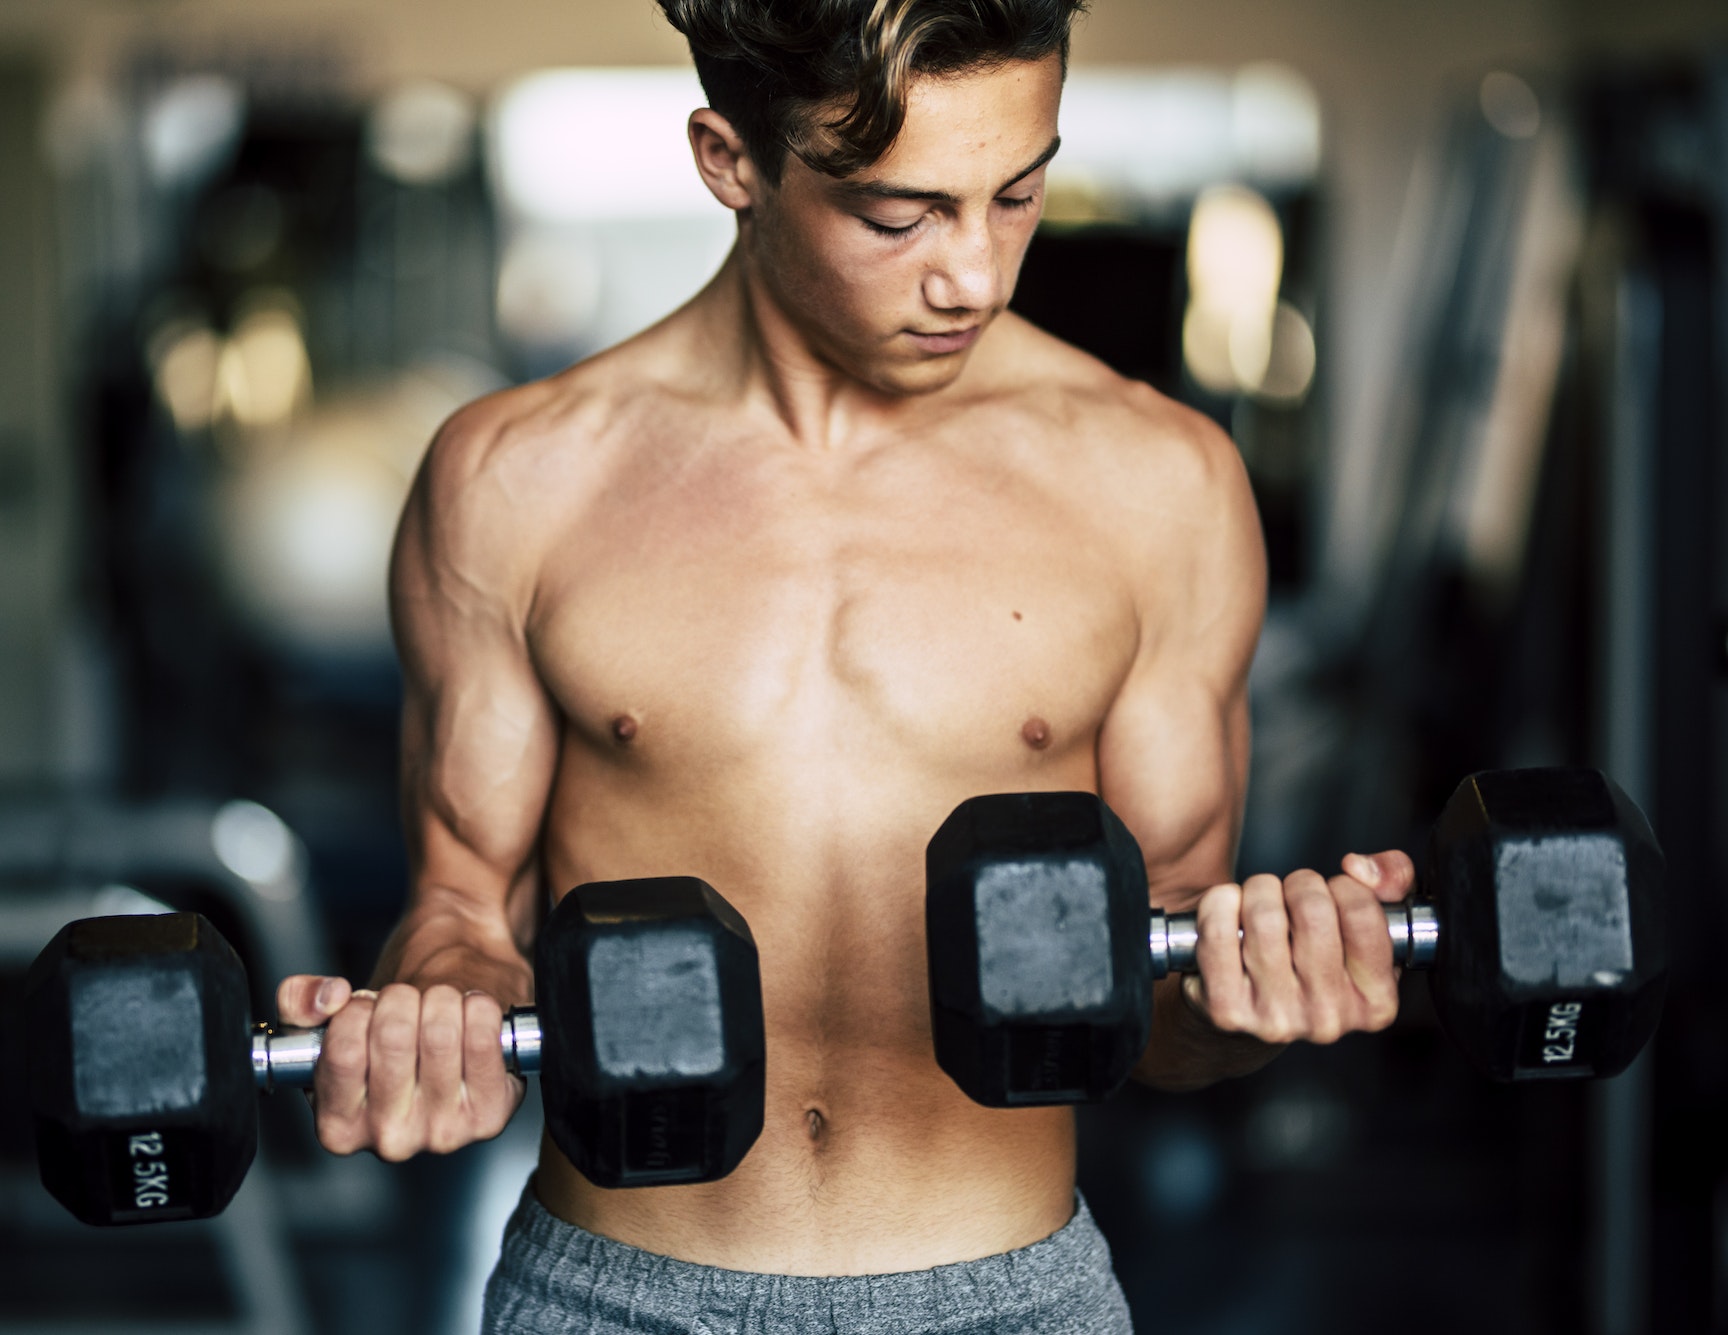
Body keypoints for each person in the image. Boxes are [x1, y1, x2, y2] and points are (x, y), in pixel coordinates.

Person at [279, 1, 1413, 1329]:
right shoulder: (518, 480)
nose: (976, 277)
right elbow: (465, 910)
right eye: (902, 216)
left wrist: (1259, 989)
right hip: (616, 1297)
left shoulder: (1158, 487)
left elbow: (1158, 1014)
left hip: (1013, 1296)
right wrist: (438, 1020)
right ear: (731, 162)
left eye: (1019, 193)